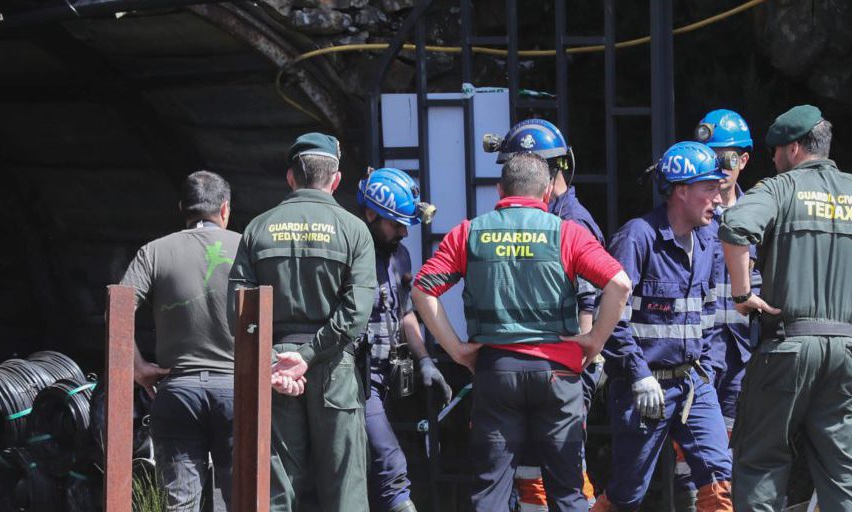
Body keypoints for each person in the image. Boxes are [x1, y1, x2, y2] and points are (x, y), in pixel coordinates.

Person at [719, 105, 852, 511]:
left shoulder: (779, 189)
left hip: (786, 350)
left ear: (794, 149)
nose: (772, 158)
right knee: (847, 478)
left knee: (761, 466)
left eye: (775, 150)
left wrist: (740, 294)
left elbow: (735, 228)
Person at [411, 152, 632, 512]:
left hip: (496, 372)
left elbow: (422, 290)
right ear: (547, 192)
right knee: (568, 492)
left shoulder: (469, 233)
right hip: (558, 375)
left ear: (500, 190)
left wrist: (456, 350)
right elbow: (620, 285)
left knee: (491, 493)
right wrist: (594, 341)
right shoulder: (568, 233)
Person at [228, 133, 376, 512]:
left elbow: (240, 310)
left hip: (274, 368)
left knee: (278, 486)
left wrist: (274, 362)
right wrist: (309, 355)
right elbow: (357, 311)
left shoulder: (258, 228)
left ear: (291, 177)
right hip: (333, 369)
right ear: (336, 179)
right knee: (345, 486)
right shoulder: (354, 230)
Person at [594, 142, 733, 512]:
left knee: (719, 476)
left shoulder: (708, 241)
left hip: (693, 383)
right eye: (710, 189)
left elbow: (714, 315)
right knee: (627, 493)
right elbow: (609, 318)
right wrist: (638, 375)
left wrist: (710, 371)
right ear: (681, 190)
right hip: (644, 387)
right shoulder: (637, 237)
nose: (718, 199)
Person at [485, 118, 605, 509]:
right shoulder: (545, 221)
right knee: (535, 477)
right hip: (542, 370)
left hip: (562, 370)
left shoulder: (570, 223)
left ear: (553, 175)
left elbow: (590, 303)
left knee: (564, 480)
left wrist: (582, 360)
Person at [120, 170, 240, 511]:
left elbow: (118, 309)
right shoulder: (248, 248)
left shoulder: (154, 252)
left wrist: (139, 367)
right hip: (237, 393)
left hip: (177, 392)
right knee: (241, 498)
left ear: (181, 209)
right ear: (226, 209)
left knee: (179, 502)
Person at [672, 109, 763, 510]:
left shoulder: (761, 213)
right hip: (700, 349)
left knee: (728, 451)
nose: (718, 168)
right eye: (709, 158)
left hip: (744, 350)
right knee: (691, 454)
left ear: (744, 160)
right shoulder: (693, 213)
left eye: (725, 158)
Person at [356, 167, 450, 512]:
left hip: (388, 377)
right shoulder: (350, 253)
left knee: (387, 462)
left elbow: (406, 313)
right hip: (356, 379)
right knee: (389, 462)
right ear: (370, 213)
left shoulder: (400, 256)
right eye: (395, 224)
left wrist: (425, 359)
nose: (402, 231)